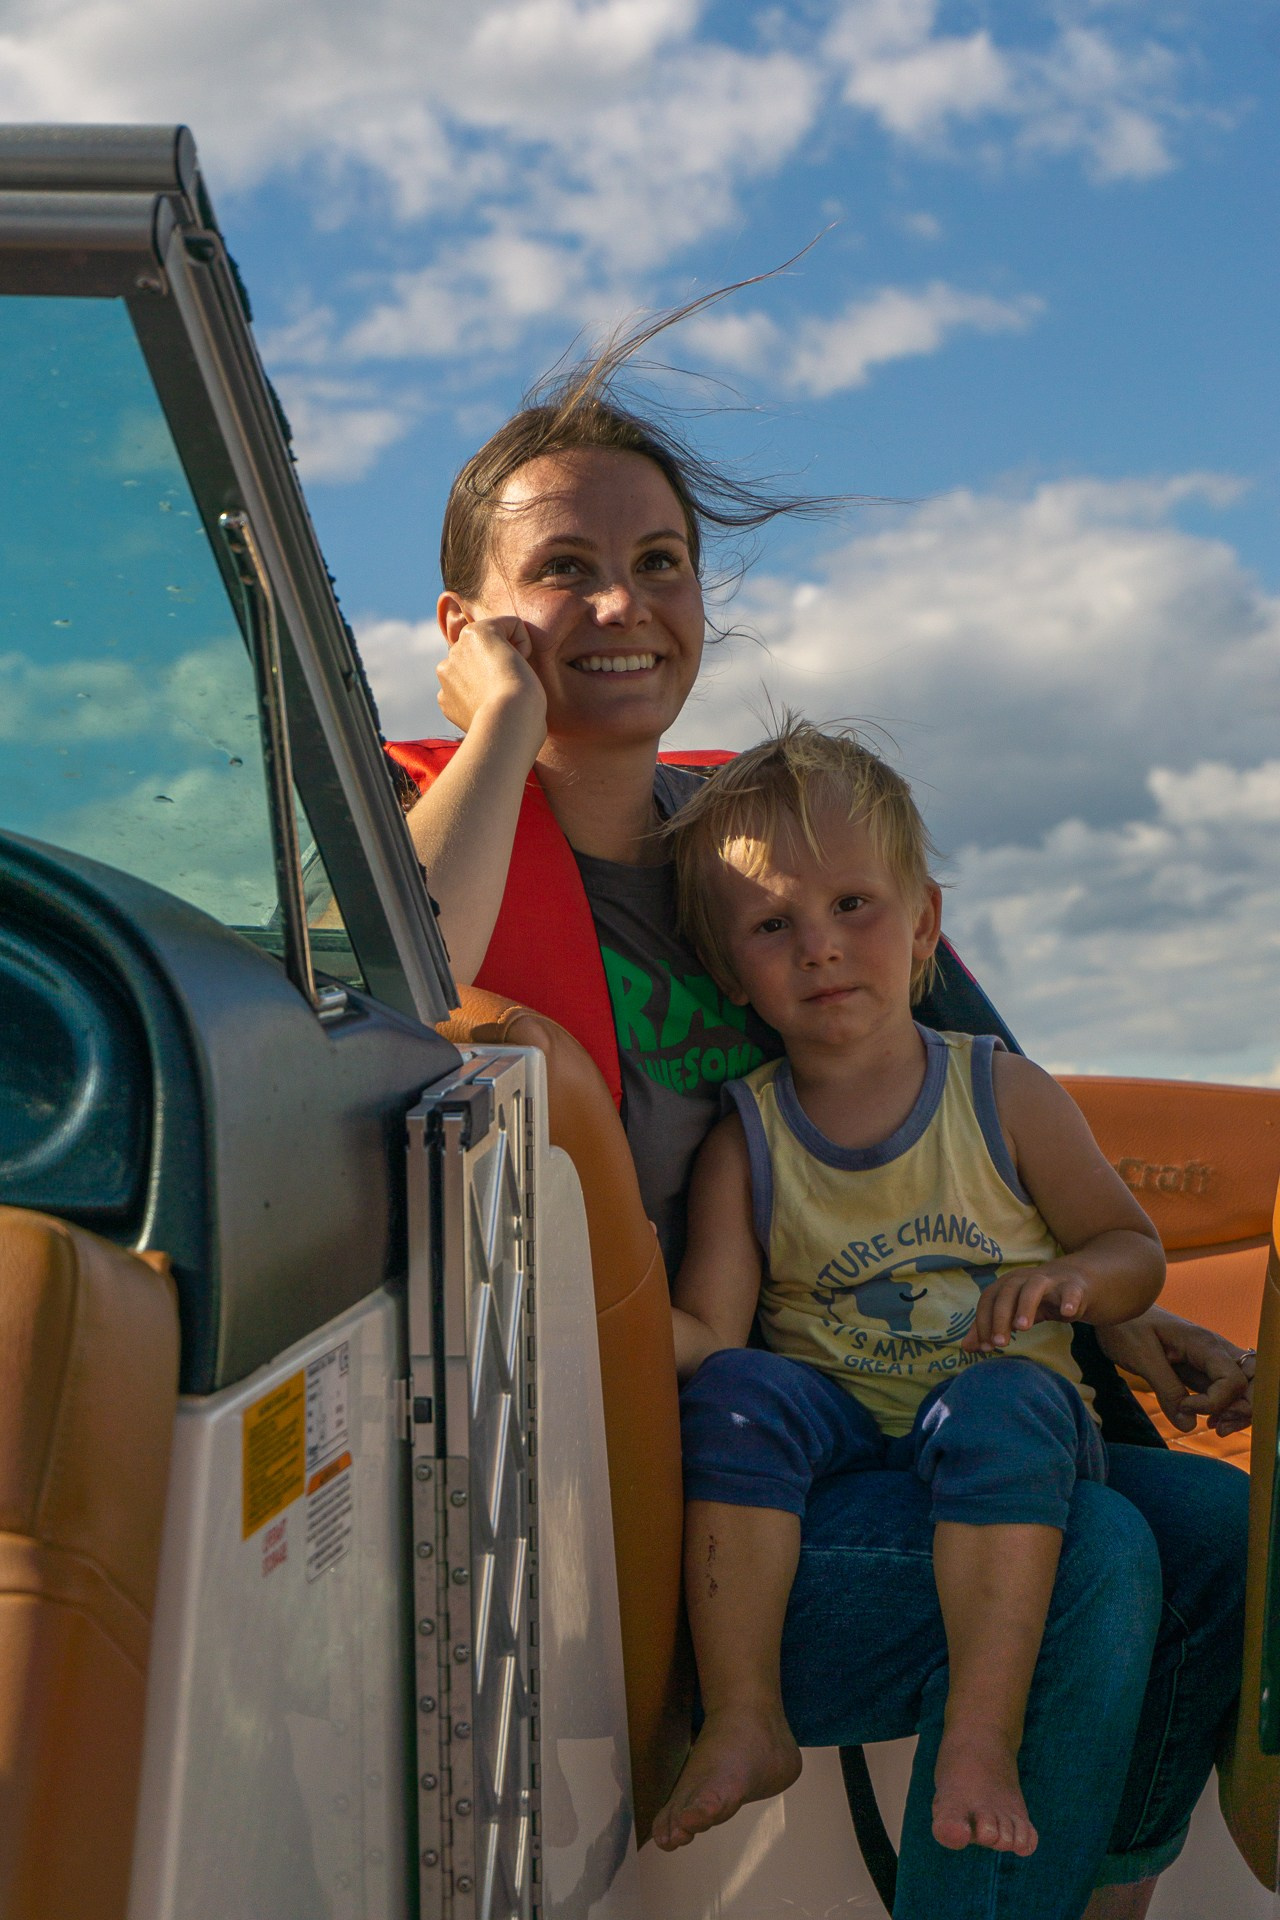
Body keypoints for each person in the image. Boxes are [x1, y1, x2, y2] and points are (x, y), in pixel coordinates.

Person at [392, 350, 1254, 1920]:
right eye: (561, 572)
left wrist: (1123, 1334)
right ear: (465, 625)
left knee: (1215, 1530)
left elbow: (979, 1141)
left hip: (881, 1423)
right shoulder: (430, 848)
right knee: (1095, 1566)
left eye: (660, 566)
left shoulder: (772, 857)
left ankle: (1090, 1900)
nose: (620, 608)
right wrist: (503, 721)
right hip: (660, 1494)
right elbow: (396, 1008)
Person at [653, 720, 1165, 1860]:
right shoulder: (748, 1137)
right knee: (738, 1391)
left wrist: (1071, 1279)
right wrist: (597, 1306)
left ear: (923, 922)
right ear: (731, 965)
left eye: (851, 906)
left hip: (1005, 1429)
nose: (820, 947)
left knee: (1001, 1405)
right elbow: (708, 1336)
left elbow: (1131, 1248)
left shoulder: (1001, 1094)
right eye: (773, 926)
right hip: (846, 1445)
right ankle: (745, 1714)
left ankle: (981, 1734)